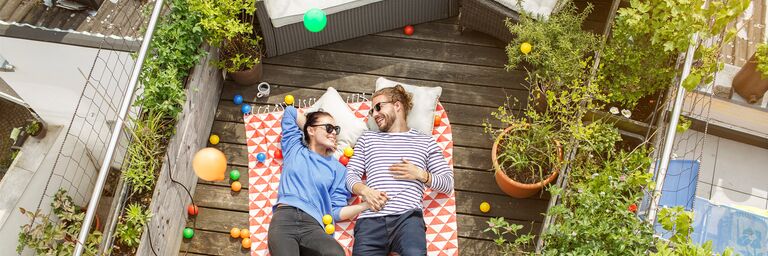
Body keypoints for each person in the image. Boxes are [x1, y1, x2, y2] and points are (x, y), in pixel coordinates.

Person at [345, 85, 454, 256]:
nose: (374, 114)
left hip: (408, 219)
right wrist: (365, 190)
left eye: (378, 107)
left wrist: (421, 174)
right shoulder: (368, 138)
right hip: (370, 220)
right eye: (371, 111)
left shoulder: (425, 141)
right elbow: (350, 176)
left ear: (397, 105)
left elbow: (447, 184)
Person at [268, 105, 369, 255]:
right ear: (311, 130)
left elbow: (335, 211)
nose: (334, 132)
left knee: (336, 253)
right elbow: (290, 112)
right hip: (284, 220)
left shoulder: (339, 169)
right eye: (328, 128)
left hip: (314, 225)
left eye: (336, 129)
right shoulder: (294, 148)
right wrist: (311, 131)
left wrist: (365, 205)